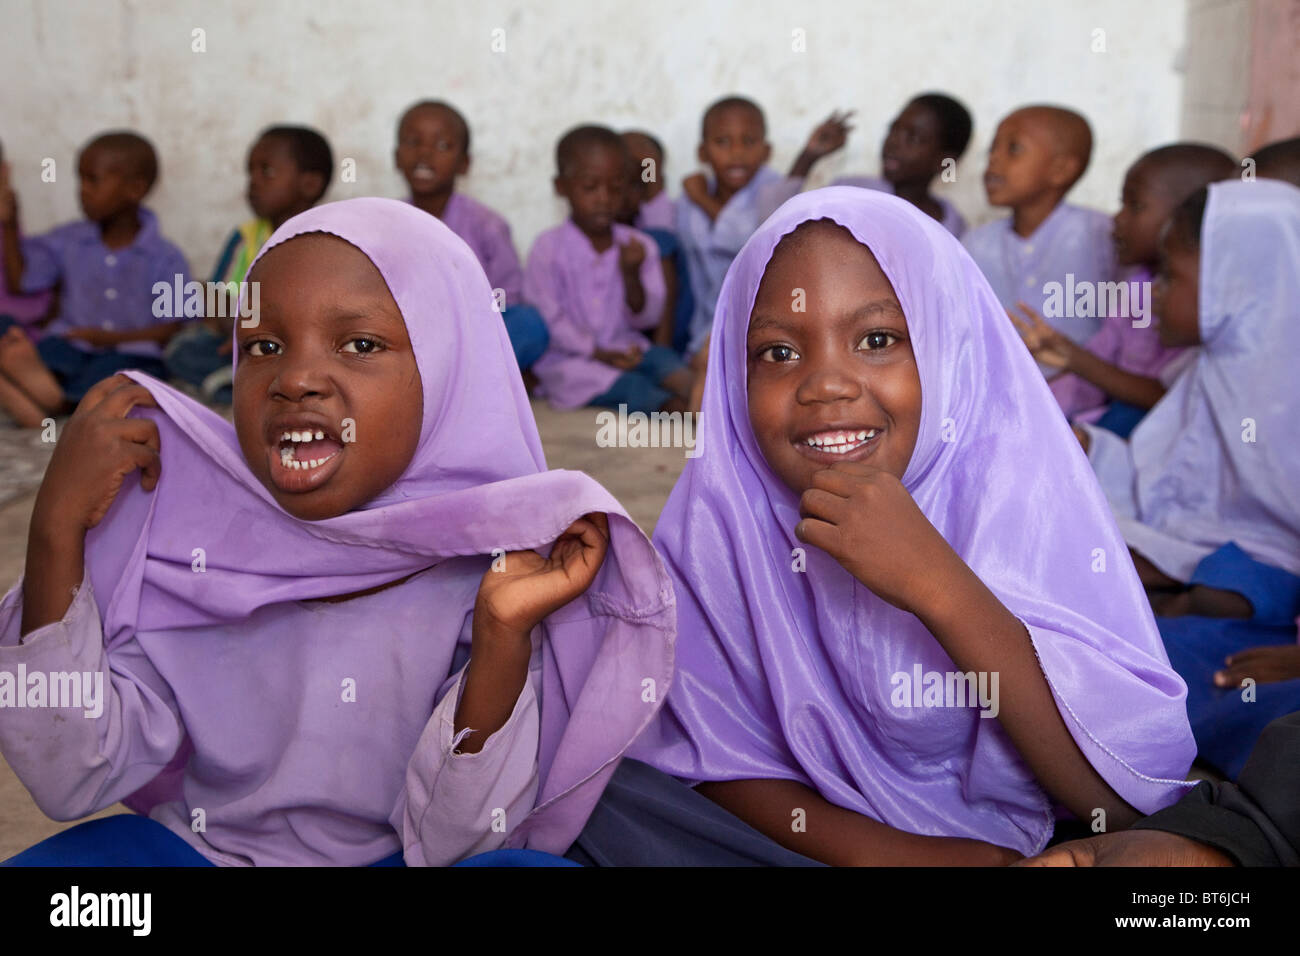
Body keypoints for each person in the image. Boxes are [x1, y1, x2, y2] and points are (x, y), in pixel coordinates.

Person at [0, 198, 674, 867]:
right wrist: (56, 529)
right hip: (206, 856)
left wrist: (500, 639)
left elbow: (454, 845)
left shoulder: (501, 565)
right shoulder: (197, 547)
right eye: (263, 345)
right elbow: (72, 774)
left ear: (448, 371)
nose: (295, 380)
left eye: (360, 345)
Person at [569, 187, 1196, 866]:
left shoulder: (1023, 501)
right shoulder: (725, 512)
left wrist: (940, 586)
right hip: (827, 846)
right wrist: (917, 860)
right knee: (594, 778)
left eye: (877, 340)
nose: (826, 385)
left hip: (1019, 840)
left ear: (948, 349)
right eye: (778, 353)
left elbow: (1123, 801)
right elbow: (712, 752)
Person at [1012, 143, 1234, 436]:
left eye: (1136, 205)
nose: (1117, 218)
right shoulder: (1139, 285)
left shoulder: (1204, 306)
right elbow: (1093, 367)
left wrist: (1077, 359)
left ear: (1186, 219)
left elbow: (1169, 399)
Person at [0, 131, 188, 427]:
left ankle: (47, 401)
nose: (82, 190)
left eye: (93, 180)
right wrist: (9, 224)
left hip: (130, 352)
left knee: (122, 381)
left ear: (135, 188)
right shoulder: (68, 240)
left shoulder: (165, 257)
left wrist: (108, 339)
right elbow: (20, 282)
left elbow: (173, 327)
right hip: (71, 343)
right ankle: (47, 392)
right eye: (80, 180)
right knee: (50, 352)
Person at [526, 125, 692, 413]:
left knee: (664, 362)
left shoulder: (639, 246)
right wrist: (597, 352)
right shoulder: (547, 248)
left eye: (615, 188)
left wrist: (631, 275)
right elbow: (548, 317)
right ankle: (677, 409)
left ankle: (703, 398)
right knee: (628, 387)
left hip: (628, 348)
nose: (603, 198)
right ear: (561, 187)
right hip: (570, 359)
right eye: (590, 187)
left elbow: (648, 318)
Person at [165, 125, 332, 406]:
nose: (253, 182)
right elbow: (218, 297)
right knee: (181, 349)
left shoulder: (328, 239)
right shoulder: (246, 237)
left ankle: (240, 387)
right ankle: (236, 385)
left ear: (309, 184)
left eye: (266, 171)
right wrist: (238, 333)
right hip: (239, 343)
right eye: (250, 172)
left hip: (299, 346)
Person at [394, 100, 548, 373]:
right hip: (412, 330)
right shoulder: (387, 223)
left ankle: (461, 378)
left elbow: (508, 294)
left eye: (442, 146)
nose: (424, 154)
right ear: (396, 157)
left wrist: (470, 318)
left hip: (474, 330)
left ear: (464, 164)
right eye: (413, 142)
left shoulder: (487, 225)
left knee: (528, 324)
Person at [962, 105, 1116, 353]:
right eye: (992, 148)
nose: (994, 159)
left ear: (1060, 170)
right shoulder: (975, 243)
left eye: (1014, 149)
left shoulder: (1099, 234)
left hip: (1085, 382)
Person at [759, 93, 972, 236]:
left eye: (913, 138)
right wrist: (808, 157)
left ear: (945, 163)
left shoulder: (951, 226)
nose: (894, 142)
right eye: (893, 129)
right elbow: (774, 228)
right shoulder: (850, 192)